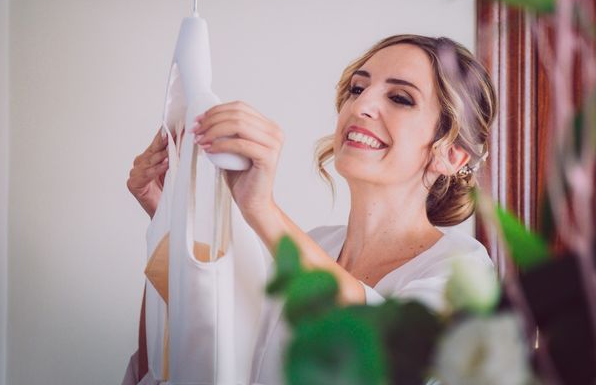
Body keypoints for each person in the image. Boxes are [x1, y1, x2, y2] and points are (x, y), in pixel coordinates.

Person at [125, 34, 497, 384]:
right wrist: (168, 222)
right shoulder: (310, 247)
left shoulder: (462, 273)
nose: (361, 105)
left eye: (400, 98)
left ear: (450, 154)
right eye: (357, 88)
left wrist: (260, 207)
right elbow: (183, 356)